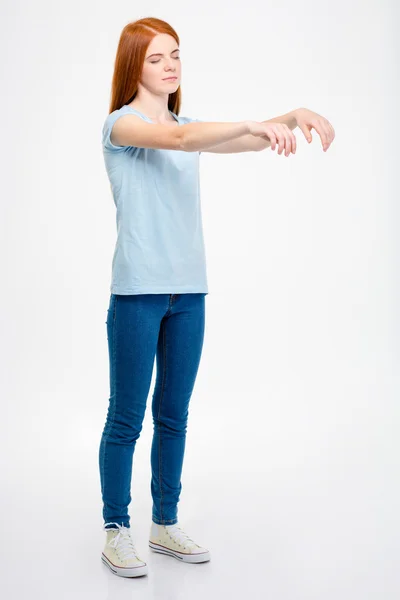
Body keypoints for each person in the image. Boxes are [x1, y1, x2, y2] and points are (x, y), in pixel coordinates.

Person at [98, 16, 335, 579]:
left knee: (174, 416)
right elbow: (181, 139)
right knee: (126, 417)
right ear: (134, 65)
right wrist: (255, 122)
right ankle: (115, 529)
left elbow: (237, 138)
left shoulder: (190, 124)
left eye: (175, 54)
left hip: (190, 294)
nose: (170, 65)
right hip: (137, 293)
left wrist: (290, 117)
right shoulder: (121, 126)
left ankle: (164, 523)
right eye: (156, 58)